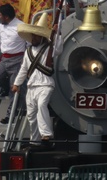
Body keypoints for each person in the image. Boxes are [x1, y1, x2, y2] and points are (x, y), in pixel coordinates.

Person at [12, 14, 63, 150]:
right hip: (31, 86)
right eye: (32, 36)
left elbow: (59, 49)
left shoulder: (49, 49)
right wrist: (17, 83)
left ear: (41, 37)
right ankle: (34, 141)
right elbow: (23, 69)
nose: (33, 38)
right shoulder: (28, 51)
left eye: (36, 36)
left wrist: (57, 34)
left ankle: (46, 136)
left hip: (46, 84)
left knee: (41, 106)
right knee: (31, 115)